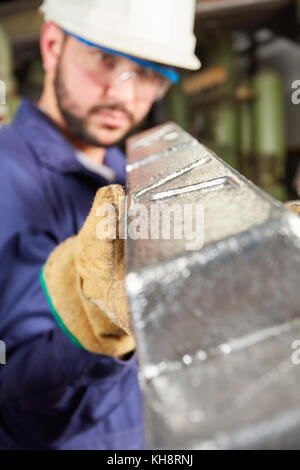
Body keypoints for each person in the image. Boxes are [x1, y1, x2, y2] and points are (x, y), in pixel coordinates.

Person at [0, 0, 200, 450]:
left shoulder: (127, 172)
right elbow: (17, 409)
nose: (125, 95)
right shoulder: (4, 178)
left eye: (149, 73)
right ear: (53, 44)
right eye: (106, 60)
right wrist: (95, 330)